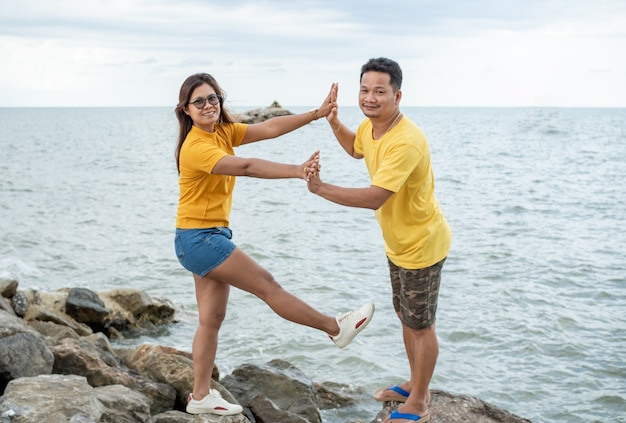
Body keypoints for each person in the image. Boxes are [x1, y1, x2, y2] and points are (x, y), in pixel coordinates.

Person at [173, 73, 375, 416]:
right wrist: (296, 170)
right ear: (186, 110)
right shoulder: (197, 147)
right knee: (267, 285)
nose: (208, 105)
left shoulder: (222, 131)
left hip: (201, 237)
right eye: (199, 101)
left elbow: (269, 128)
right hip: (200, 239)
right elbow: (247, 167)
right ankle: (334, 328)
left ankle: (201, 396)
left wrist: (316, 113)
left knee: (211, 320)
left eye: (213, 98)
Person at [306, 58, 451, 423]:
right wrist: (334, 122)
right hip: (398, 244)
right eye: (365, 90)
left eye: (379, 91)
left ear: (397, 95)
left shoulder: (406, 141)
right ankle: (415, 382)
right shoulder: (373, 129)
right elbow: (357, 148)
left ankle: (419, 400)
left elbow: (374, 197)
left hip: (421, 245)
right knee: (406, 317)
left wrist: (321, 188)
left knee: (421, 325)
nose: (370, 98)